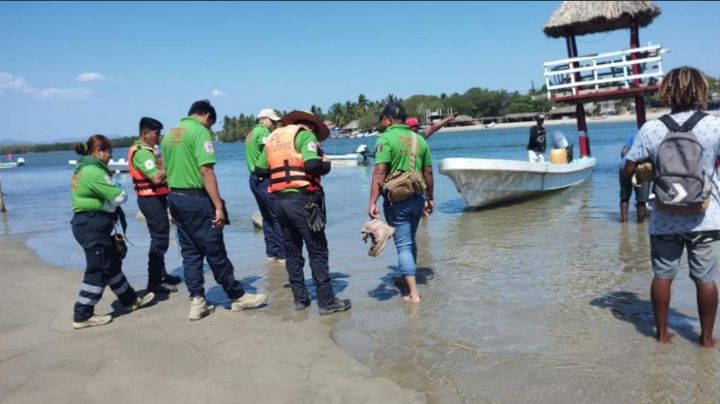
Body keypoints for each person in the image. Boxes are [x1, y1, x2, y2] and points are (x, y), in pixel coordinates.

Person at [624, 66, 720, 347]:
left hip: (664, 216)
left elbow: (627, 168)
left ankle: (662, 334)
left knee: (663, 275)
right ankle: (706, 340)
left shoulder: (652, 128)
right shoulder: (715, 125)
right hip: (706, 217)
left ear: (667, 92)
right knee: (706, 280)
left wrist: (646, 174)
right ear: (700, 90)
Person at [161, 100, 266, 321]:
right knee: (214, 249)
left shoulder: (170, 134)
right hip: (196, 199)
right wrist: (218, 206)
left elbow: (165, 169)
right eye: (211, 125)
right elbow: (206, 171)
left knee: (190, 252)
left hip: (175, 198)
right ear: (207, 117)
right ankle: (237, 296)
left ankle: (197, 300)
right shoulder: (199, 133)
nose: (210, 129)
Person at [254, 110, 351, 315]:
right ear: (312, 125)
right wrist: (326, 164)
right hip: (303, 201)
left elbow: (259, 169)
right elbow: (312, 165)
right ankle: (326, 302)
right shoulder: (306, 136)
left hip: (280, 202)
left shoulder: (273, 138)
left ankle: (300, 298)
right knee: (317, 249)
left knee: (292, 251)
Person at [70, 134, 155, 329]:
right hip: (92, 224)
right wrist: (121, 192)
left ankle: (130, 300)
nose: (110, 156)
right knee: (98, 270)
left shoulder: (83, 168)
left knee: (112, 264)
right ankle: (82, 315)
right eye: (109, 152)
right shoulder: (93, 171)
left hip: (89, 223)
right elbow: (118, 197)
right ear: (99, 152)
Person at [369, 102, 434, 304]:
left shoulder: (386, 138)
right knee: (410, 240)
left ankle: (413, 294)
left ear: (388, 119)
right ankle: (408, 279)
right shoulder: (419, 139)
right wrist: (430, 198)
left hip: (397, 200)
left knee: (403, 245)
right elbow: (428, 173)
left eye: (382, 120)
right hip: (417, 198)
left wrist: (372, 202)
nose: (382, 124)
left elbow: (380, 171)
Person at [127, 117, 182, 294]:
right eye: (156, 134)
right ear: (145, 134)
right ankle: (154, 282)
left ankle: (162, 274)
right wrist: (173, 164)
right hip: (150, 201)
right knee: (160, 239)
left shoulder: (149, 150)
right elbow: (156, 178)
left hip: (156, 198)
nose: (159, 137)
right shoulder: (142, 153)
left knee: (160, 237)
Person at [245, 108, 285, 263]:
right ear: (264, 119)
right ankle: (283, 254)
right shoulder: (263, 132)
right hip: (265, 179)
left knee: (267, 217)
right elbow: (272, 151)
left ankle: (272, 253)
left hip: (254, 179)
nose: (274, 124)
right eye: (273, 121)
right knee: (276, 216)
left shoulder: (251, 133)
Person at [618, 132, 649, 223]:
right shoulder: (650, 136)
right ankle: (640, 227)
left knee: (624, 198)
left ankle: (624, 224)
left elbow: (623, 151)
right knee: (641, 201)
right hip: (642, 167)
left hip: (625, 165)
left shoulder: (633, 135)